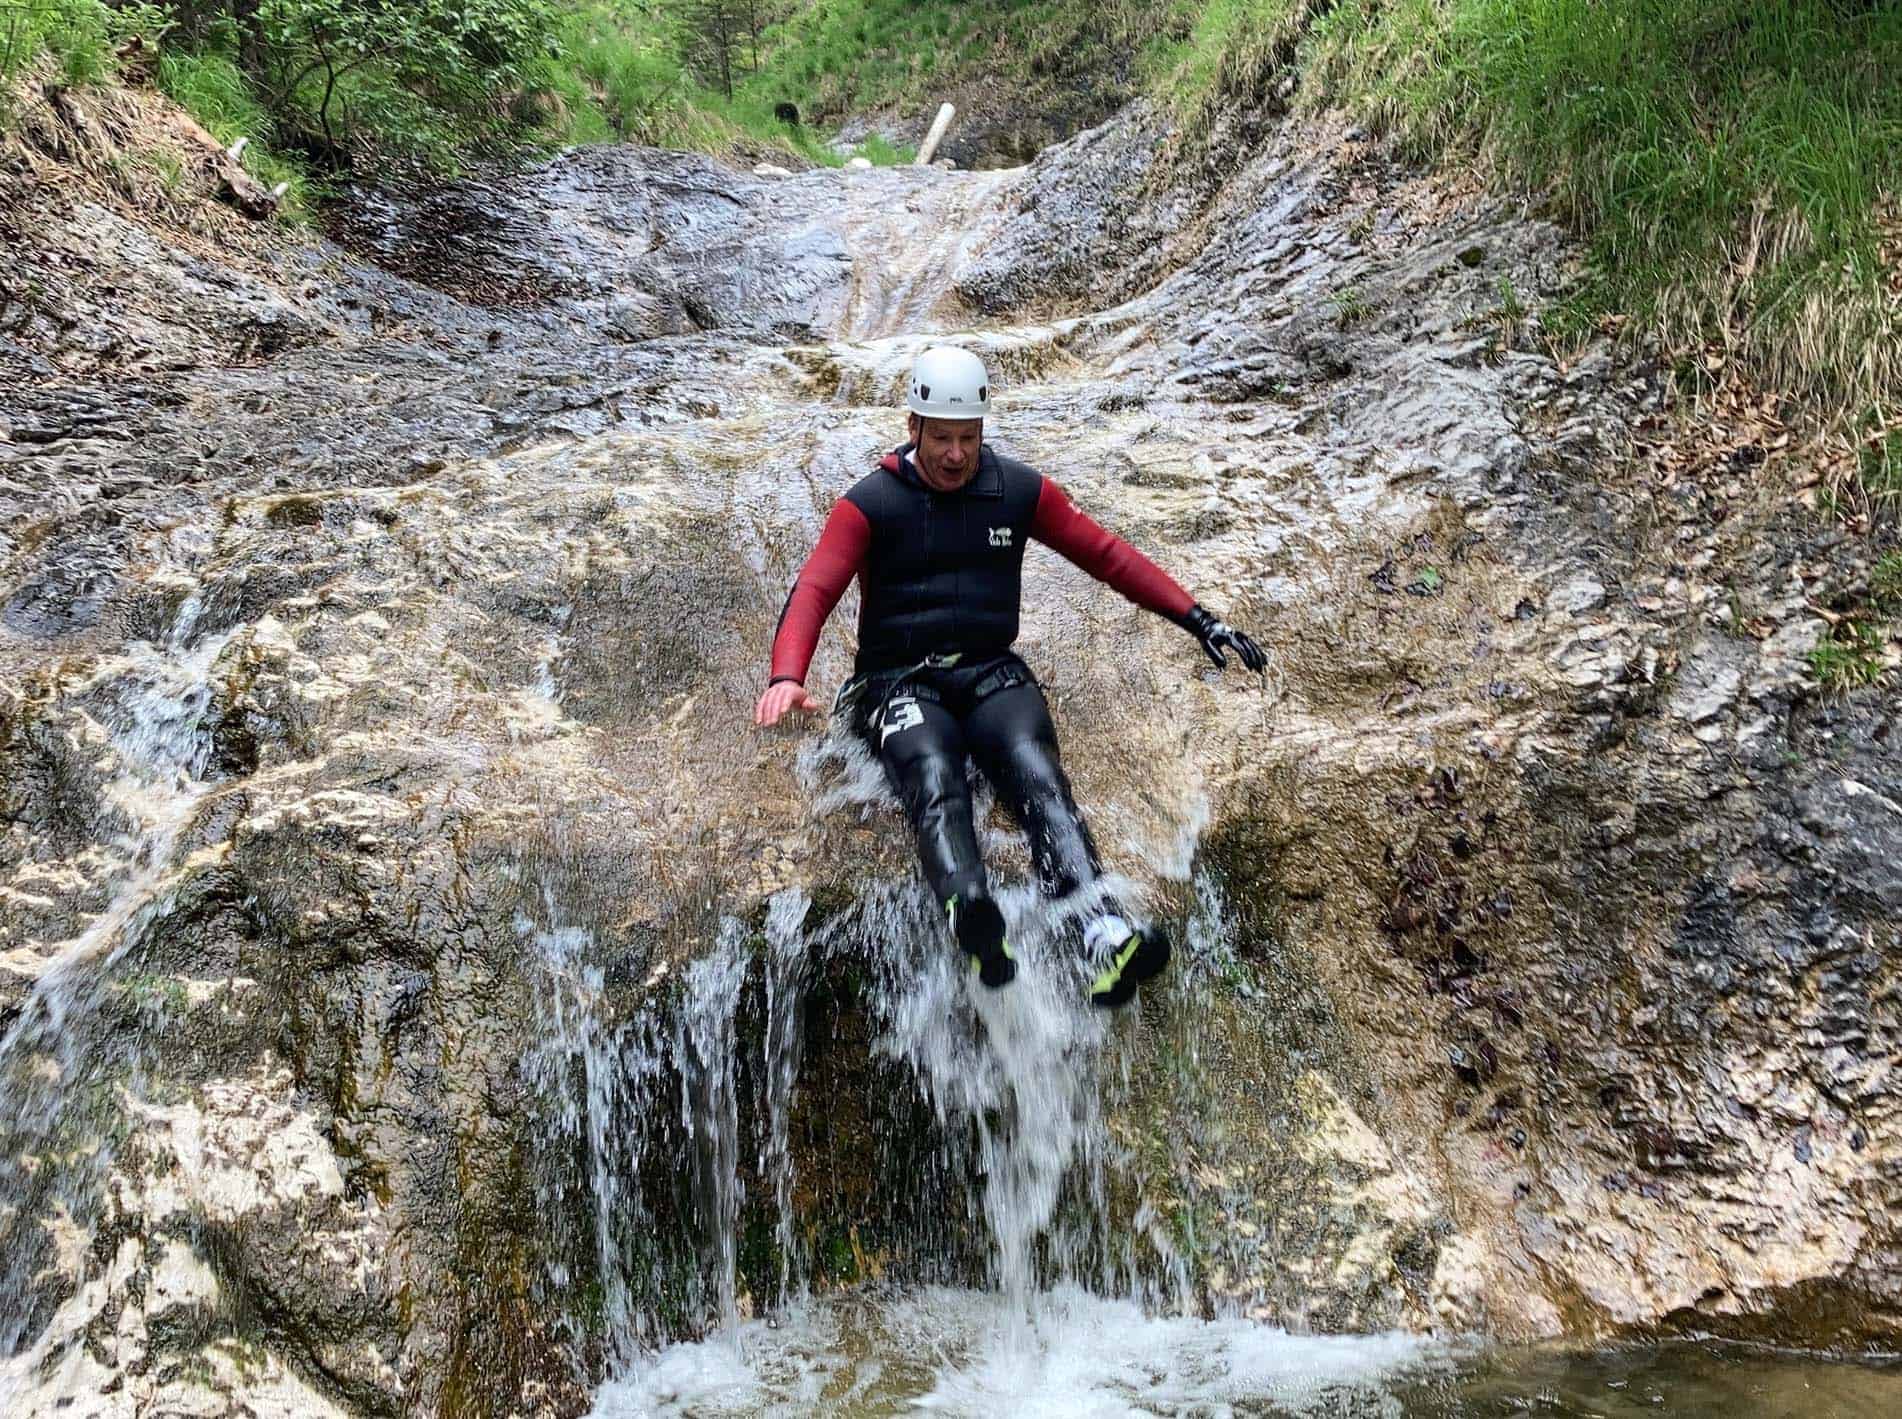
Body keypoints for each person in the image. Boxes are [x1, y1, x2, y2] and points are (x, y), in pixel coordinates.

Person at [754, 347, 1265, 1008]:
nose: (956, 454)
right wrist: (785, 675)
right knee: (933, 770)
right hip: (897, 681)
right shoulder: (870, 503)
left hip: (990, 671)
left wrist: (1198, 618)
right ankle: (970, 915)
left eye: (968, 438)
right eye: (941, 437)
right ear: (914, 427)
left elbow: (1106, 555)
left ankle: (1102, 933)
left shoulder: (1019, 490)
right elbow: (815, 587)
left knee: (1036, 771)